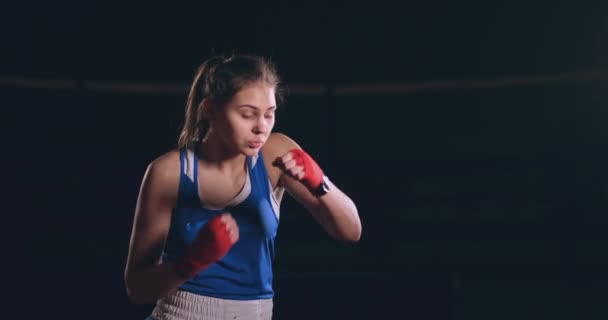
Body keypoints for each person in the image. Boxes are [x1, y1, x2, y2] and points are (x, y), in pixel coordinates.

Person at [124, 54, 362, 320]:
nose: (261, 128)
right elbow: (137, 288)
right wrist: (189, 263)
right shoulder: (169, 173)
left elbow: (351, 231)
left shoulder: (275, 154)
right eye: (247, 114)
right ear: (209, 110)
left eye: (269, 115)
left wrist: (321, 184)